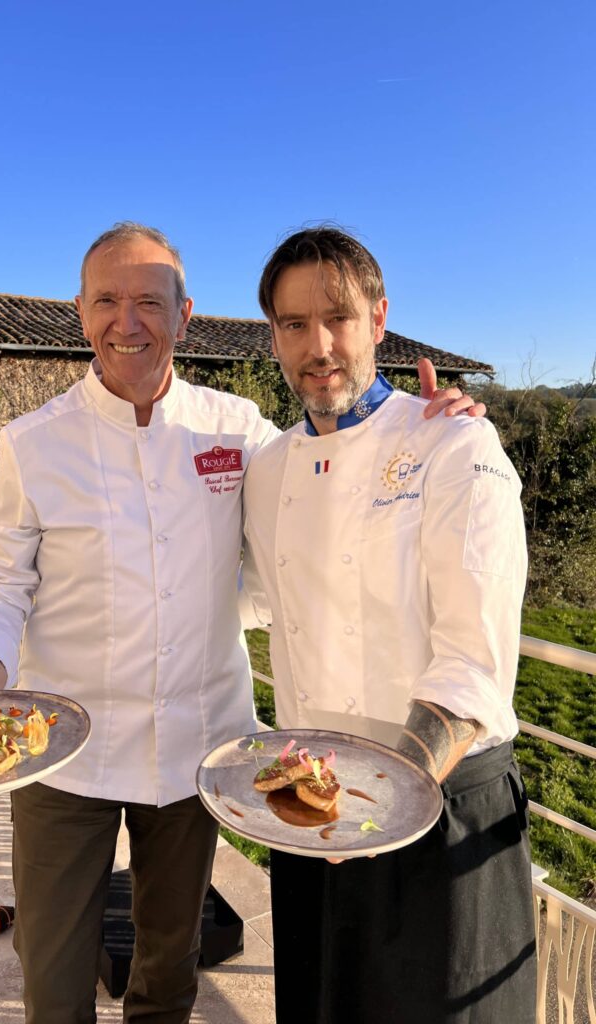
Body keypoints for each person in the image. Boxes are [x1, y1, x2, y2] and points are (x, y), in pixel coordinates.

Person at [0, 222, 481, 1024]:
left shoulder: (238, 429)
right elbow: (4, 586)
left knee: (168, 967)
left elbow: (330, 478)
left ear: (184, 315)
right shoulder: (32, 445)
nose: (126, 320)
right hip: (60, 750)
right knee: (53, 971)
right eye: (107, 300)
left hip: (194, 746)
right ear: (80, 312)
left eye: (149, 300)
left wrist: (426, 424)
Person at [242, 226, 535, 1024]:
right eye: (294, 324)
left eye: (337, 315)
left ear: (378, 319)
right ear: (273, 336)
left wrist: (390, 794)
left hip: (439, 807)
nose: (319, 344)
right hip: (313, 810)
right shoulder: (267, 471)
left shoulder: (453, 440)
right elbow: (241, 596)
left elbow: (474, 662)